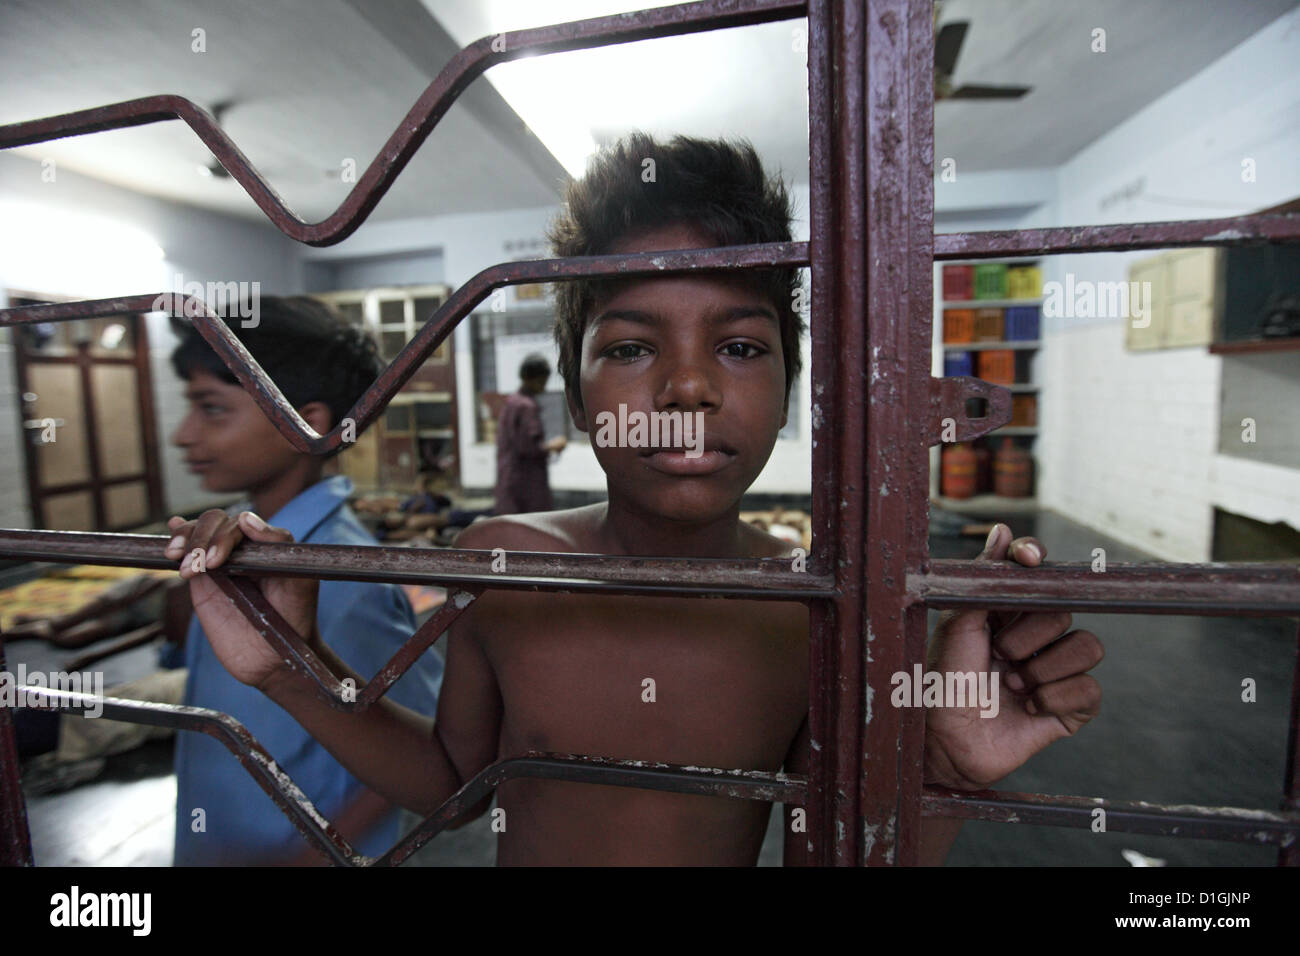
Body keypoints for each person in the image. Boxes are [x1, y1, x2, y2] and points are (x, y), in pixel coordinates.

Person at [165, 135, 1103, 866]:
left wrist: (939, 770)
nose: (688, 390)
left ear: (789, 389)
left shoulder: (812, 602)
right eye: (629, 348)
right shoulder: (507, 561)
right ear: (578, 399)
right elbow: (455, 785)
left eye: (740, 347)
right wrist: (289, 668)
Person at [165, 296, 444, 865]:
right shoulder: (227, 553)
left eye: (212, 409)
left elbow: (426, 762)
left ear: (307, 424)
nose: (183, 435)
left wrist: (314, 857)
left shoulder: (344, 580)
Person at [493, 354, 567, 515]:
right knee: (532, 528)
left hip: (509, 477)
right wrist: (554, 445)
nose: (544, 386)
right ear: (533, 379)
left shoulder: (512, 401)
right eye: (542, 381)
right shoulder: (527, 407)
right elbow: (529, 447)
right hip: (526, 482)